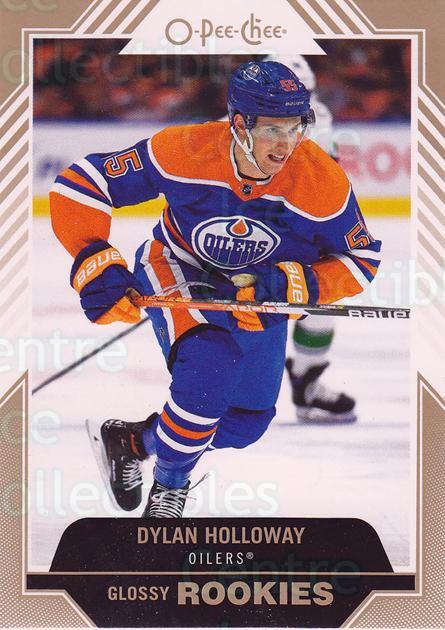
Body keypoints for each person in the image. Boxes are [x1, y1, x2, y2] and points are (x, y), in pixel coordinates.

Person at [50, 61, 381, 518]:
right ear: (240, 123)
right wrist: (94, 258)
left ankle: (133, 442)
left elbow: (361, 258)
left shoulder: (321, 181)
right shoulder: (185, 149)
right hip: (178, 266)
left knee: (245, 422)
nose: (286, 145)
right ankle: (169, 492)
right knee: (211, 364)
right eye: (272, 130)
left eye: (294, 128)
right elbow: (83, 182)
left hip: (255, 292)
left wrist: (291, 284)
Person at [267, 55, 356, 424]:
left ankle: (306, 382)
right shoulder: (232, 123)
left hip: (296, 231)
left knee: (322, 302)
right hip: (249, 232)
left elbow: (322, 184)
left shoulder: (317, 117)